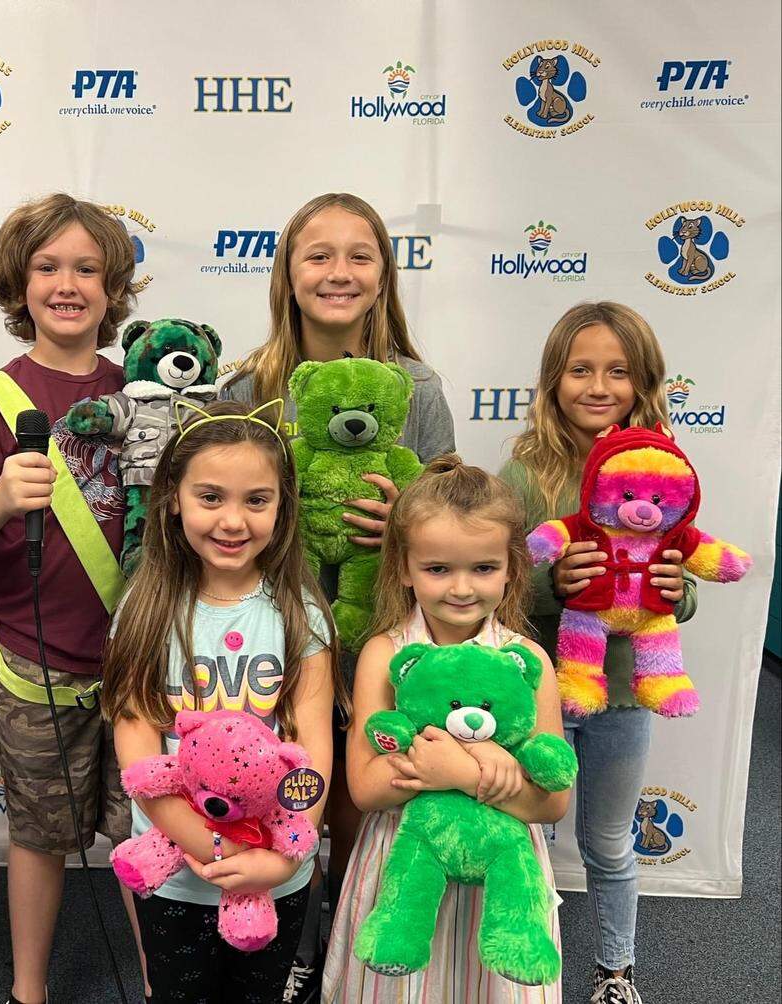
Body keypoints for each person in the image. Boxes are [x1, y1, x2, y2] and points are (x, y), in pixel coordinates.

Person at [220, 192, 455, 999]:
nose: (339, 272)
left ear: (385, 274)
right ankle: (271, 951)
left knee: (352, 804)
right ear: (287, 272)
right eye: (318, 254)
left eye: (360, 255)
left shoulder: (417, 389)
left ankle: (338, 955)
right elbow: (209, 510)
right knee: (273, 796)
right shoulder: (247, 387)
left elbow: (454, 532)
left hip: (370, 636)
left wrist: (409, 522)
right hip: (267, 639)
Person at [0, 193, 145, 1004]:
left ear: (114, 288)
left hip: (138, 665)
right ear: (19, 286)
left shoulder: (145, 393)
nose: (67, 284)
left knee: (144, 837)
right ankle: (27, 989)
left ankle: (160, 981)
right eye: (47, 267)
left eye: (87, 268)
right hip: (34, 668)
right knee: (39, 838)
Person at [103, 400, 346, 1003]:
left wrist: (288, 854)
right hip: (175, 876)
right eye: (210, 497)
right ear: (172, 500)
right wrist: (206, 843)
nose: (233, 520)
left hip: (275, 878)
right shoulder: (146, 611)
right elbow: (137, 752)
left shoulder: (302, 616)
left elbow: (313, 748)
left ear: (282, 507)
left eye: (256, 500)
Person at [500, 301, 694, 1004]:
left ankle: (616, 972)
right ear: (554, 379)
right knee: (528, 844)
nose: (598, 384)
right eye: (580, 369)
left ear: (643, 381)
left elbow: (680, 585)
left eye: (617, 370)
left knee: (611, 845)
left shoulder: (664, 468)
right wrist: (552, 586)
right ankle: (528, 970)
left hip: (621, 696)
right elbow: (494, 589)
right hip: (536, 694)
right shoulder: (525, 477)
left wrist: (677, 588)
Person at [323, 455, 570, 1003]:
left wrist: (449, 768)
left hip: (503, 880)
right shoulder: (386, 654)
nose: (461, 588)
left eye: (483, 568)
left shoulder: (527, 660)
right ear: (404, 568)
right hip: (405, 867)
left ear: (511, 567)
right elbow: (364, 787)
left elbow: (551, 804)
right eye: (438, 569)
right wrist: (475, 768)